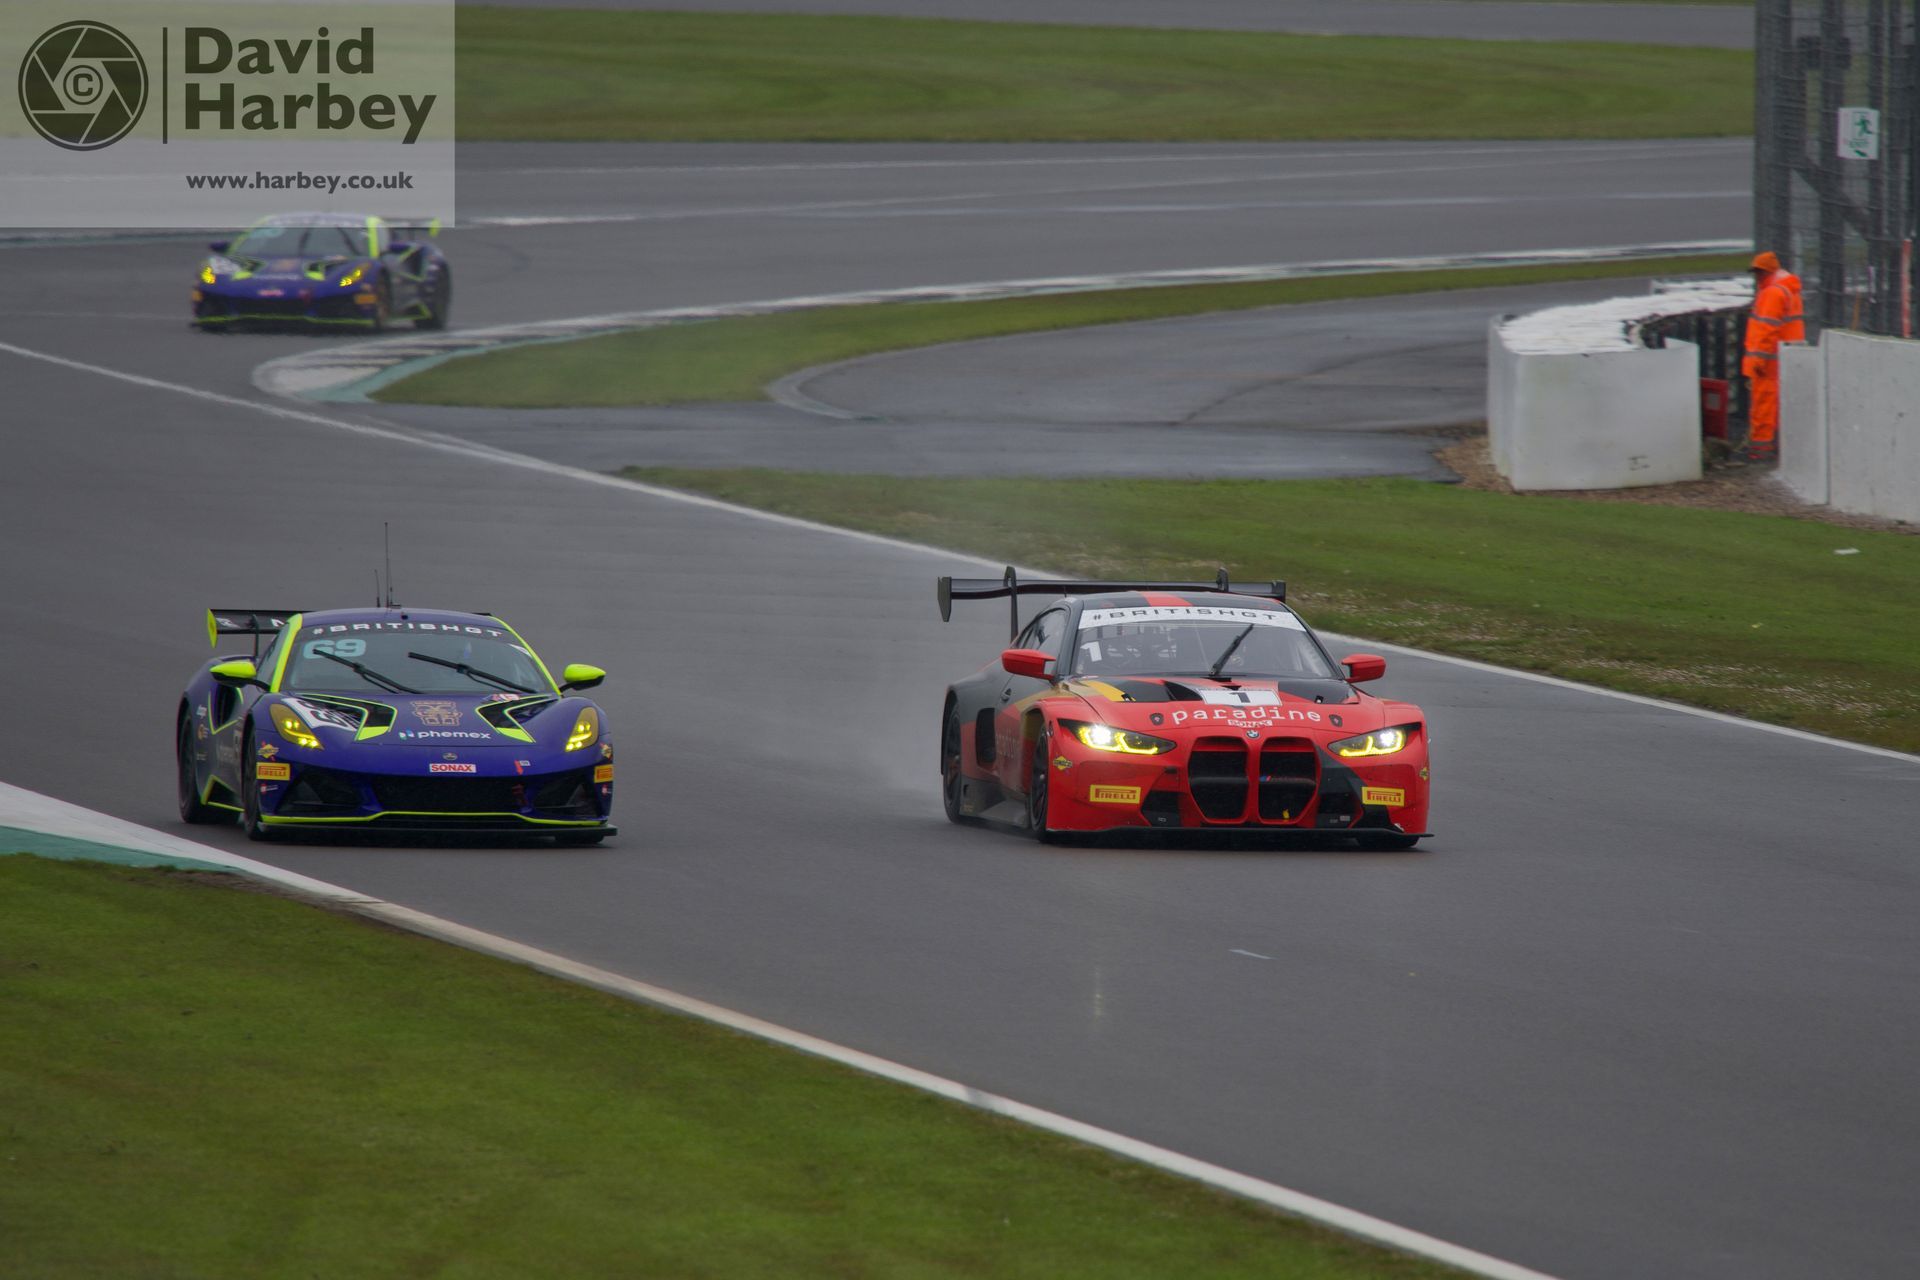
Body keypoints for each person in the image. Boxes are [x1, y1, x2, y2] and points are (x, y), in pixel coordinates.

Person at [1741, 251, 1805, 463]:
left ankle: (1761, 449)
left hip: (1768, 364)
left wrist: (1758, 361)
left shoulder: (1772, 293)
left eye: (1758, 273)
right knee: (1779, 405)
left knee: (1764, 406)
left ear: (1765, 272)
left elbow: (1766, 331)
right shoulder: (1788, 290)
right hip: (1784, 359)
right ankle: (1776, 446)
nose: (1756, 278)